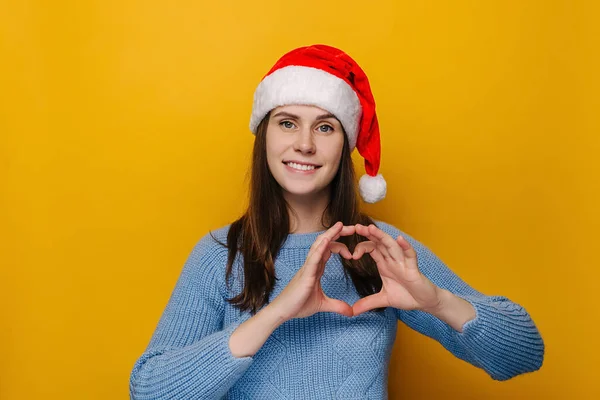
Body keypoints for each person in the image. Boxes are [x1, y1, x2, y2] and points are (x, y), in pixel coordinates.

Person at [129, 44, 544, 399]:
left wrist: (435, 300)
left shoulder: (378, 248)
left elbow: (525, 353)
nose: (305, 144)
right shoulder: (222, 255)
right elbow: (148, 389)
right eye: (287, 123)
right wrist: (276, 313)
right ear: (265, 137)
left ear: (345, 145)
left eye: (325, 127)